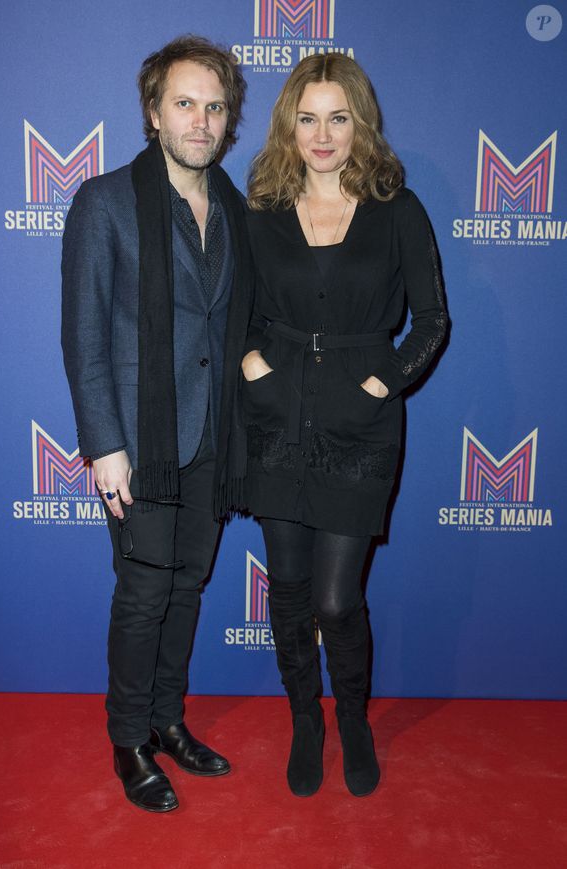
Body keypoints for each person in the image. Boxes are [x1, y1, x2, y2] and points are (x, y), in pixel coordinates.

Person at [242, 53, 448, 798]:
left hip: (360, 424)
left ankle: (353, 717)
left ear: (360, 122)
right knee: (289, 589)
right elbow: (231, 307)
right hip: (277, 417)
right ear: (287, 124)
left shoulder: (399, 209)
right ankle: (306, 718)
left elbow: (431, 322)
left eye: (338, 117)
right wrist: (250, 365)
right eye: (307, 118)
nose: (322, 135)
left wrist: (380, 382)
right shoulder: (260, 207)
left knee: (337, 598)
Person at [61, 35, 252, 812]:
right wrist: (104, 445)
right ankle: (129, 738)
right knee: (144, 593)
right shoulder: (104, 202)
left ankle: (169, 719)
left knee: (190, 587)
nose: (201, 120)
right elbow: (84, 336)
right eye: (185, 103)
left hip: (213, 436)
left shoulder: (238, 209)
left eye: (214, 106)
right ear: (153, 112)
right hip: (141, 442)